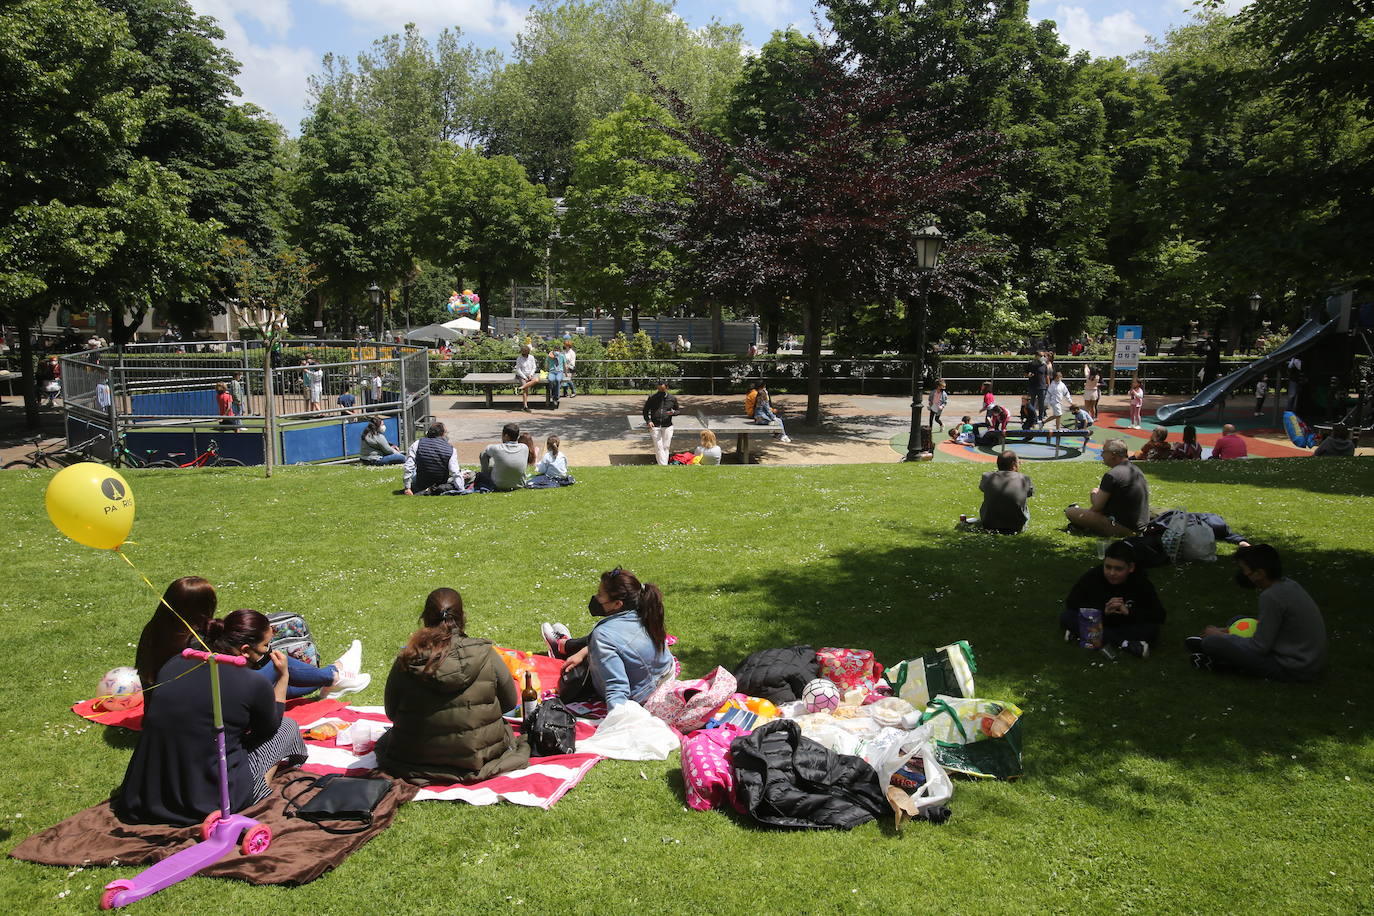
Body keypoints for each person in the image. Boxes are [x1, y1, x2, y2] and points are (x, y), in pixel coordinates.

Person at [113, 609, 309, 825]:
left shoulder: (175, 664)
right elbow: (270, 728)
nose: (268, 652)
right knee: (287, 727)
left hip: (147, 792)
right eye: (265, 646)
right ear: (245, 650)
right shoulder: (252, 682)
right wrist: (283, 677)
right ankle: (257, 792)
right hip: (210, 802)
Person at [374, 588, 531, 785]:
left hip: (415, 758)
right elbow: (509, 702)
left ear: (425, 618)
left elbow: (392, 712)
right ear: (462, 617)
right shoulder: (486, 655)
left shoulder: (407, 661)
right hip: (477, 755)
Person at [540, 567, 675, 709]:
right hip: (664, 675)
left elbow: (617, 688)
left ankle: (562, 646)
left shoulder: (603, 635)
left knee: (584, 668)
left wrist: (615, 722)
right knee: (595, 646)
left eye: (600, 594)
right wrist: (583, 652)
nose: (596, 598)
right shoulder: (644, 610)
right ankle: (566, 645)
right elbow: (619, 643)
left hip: (641, 696)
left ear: (618, 604)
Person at [1188, 545, 1326, 680]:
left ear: (1259, 574)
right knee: (1238, 619)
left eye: (1244, 570)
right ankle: (1221, 654)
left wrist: (1221, 636)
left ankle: (1222, 661)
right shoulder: (1288, 584)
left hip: (1293, 668)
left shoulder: (1271, 596)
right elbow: (1274, 625)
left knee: (1212, 643)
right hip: (1306, 659)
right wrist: (1227, 630)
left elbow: (1259, 647)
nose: (1242, 574)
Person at [1061, 541, 1165, 657]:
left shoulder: (1141, 582)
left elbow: (1159, 615)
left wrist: (1128, 612)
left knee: (1152, 630)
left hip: (1125, 623)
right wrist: (1102, 610)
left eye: (1118, 569)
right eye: (1108, 567)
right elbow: (1072, 603)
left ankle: (1084, 634)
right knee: (1068, 617)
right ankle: (1125, 644)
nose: (1112, 573)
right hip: (1099, 620)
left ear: (1131, 567)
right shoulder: (1093, 576)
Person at [134, 577, 219, 691]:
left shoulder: (152, 629)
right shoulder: (198, 643)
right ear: (204, 607)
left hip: (155, 705)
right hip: (188, 705)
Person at [1065, 438, 1151, 537]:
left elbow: (1097, 508)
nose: (1101, 455)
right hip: (1140, 527)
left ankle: (1082, 523)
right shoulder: (1136, 470)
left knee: (1070, 511)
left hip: (1124, 528)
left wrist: (1093, 495)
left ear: (1113, 455)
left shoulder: (1112, 475)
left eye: (1104, 452)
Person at [968, 450, 1034, 534]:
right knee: (1024, 506)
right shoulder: (1024, 479)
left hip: (989, 524)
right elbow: (1029, 494)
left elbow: (982, 488)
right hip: (1016, 526)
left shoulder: (987, 476)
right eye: (1018, 462)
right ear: (1014, 464)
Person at [404, 421, 463, 495]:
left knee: (415, 470)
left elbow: (409, 466)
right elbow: (455, 471)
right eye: (446, 433)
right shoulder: (450, 449)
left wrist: (407, 487)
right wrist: (461, 489)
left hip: (420, 484)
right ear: (442, 434)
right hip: (440, 484)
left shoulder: (417, 444)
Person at [476, 422, 528, 491]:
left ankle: (484, 478)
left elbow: (486, 451)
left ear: (506, 436)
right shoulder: (524, 447)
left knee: (484, 454)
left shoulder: (497, 448)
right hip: (520, 484)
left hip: (499, 485)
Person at [643, 381, 680, 465]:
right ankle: (664, 466)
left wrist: (673, 413)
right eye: (659, 390)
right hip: (654, 426)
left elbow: (678, 411)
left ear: (666, 388)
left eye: (662, 390)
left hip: (668, 426)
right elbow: (645, 411)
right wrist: (648, 421)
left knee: (666, 446)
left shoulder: (672, 398)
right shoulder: (652, 397)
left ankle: (663, 465)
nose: (660, 392)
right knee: (658, 446)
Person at [514, 345, 539, 411]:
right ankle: (525, 406)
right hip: (522, 375)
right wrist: (524, 377)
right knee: (526, 389)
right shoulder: (519, 358)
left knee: (536, 380)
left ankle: (521, 388)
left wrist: (531, 374)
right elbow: (518, 369)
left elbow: (534, 367)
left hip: (530, 374)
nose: (524, 354)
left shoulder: (531, 357)